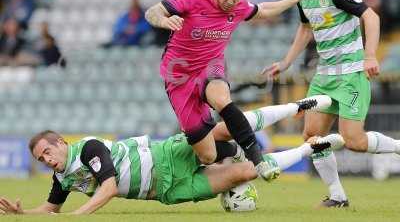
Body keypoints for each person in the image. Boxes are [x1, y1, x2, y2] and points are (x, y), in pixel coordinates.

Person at [0, 97, 342, 215]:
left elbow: (109, 187)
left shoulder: (88, 147)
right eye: (42, 159)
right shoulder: (62, 177)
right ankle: (310, 148)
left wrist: (79, 214)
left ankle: (297, 106)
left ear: (60, 142)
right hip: (166, 191)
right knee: (243, 174)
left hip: (166, 155)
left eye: (48, 151)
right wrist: (24, 214)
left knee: (224, 128)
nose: (47, 159)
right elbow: (51, 209)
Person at [262, 0, 400, 208]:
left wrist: (370, 55)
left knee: (354, 141)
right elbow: (305, 28)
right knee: (312, 136)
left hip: (350, 73)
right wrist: (286, 62)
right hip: (324, 75)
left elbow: (371, 16)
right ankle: (337, 196)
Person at [145, 0, 311, 181]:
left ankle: (258, 159)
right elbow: (152, 11)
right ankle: (237, 151)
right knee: (208, 155)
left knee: (222, 98)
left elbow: (264, 10)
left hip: (210, 65)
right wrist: (164, 20)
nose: (231, 1)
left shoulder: (238, 6)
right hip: (179, 76)